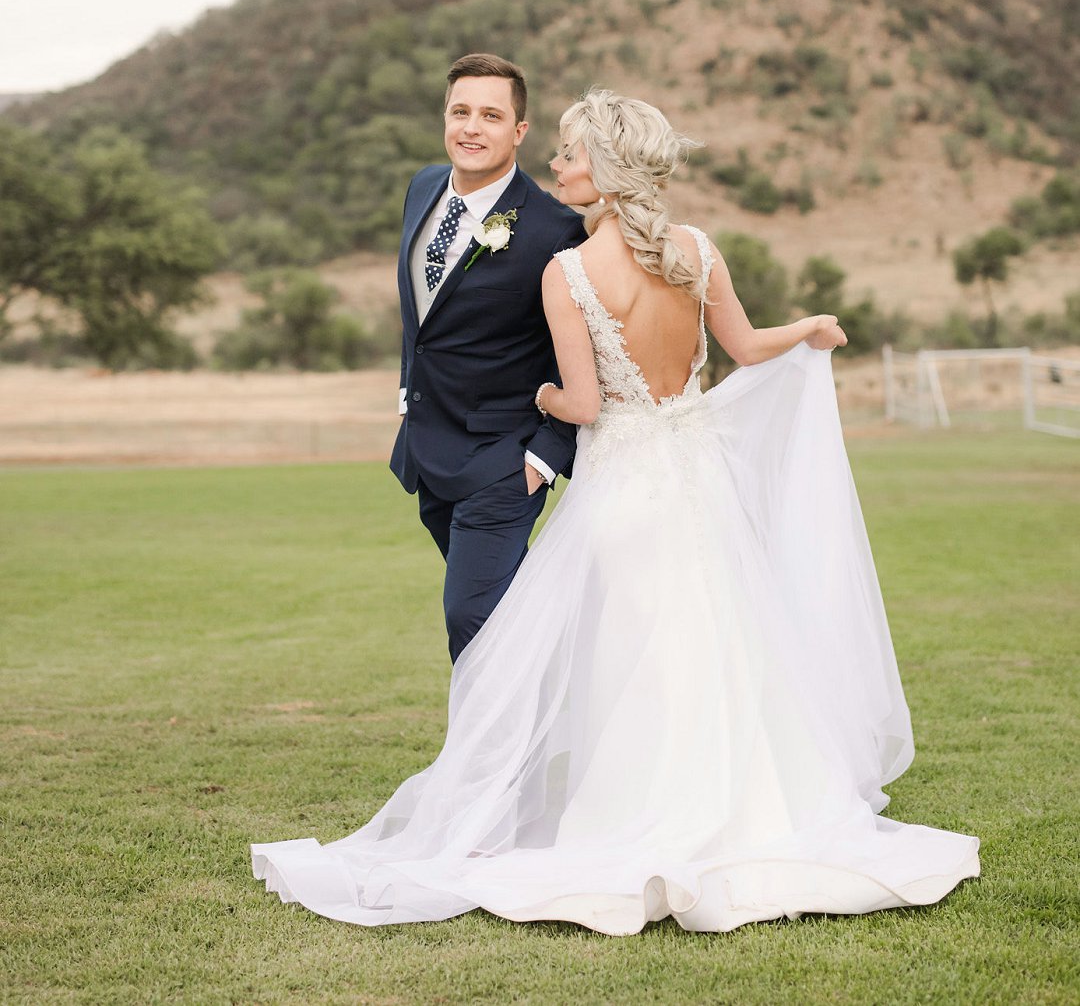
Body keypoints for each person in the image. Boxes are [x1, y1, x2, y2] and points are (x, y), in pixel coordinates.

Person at [253, 90, 979, 934]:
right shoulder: (696, 249)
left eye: (568, 152)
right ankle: (741, 808)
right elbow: (748, 349)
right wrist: (810, 326)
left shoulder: (570, 272)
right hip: (699, 480)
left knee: (627, 654)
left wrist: (542, 397)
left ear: (604, 167)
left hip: (626, 488)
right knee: (716, 642)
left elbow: (587, 404)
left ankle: (627, 814)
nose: (557, 165)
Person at [389, 53, 586, 661]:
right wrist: (407, 398)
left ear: (519, 131)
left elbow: (579, 358)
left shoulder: (556, 229)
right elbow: (423, 322)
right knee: (509, 622)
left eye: (491, 115)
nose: (471, 128)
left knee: (473, 617)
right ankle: (553, 710)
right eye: (461, 112)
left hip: (504, 460)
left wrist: (543, 458)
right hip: (428, 451)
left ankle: (494, 735)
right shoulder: (422, 188)